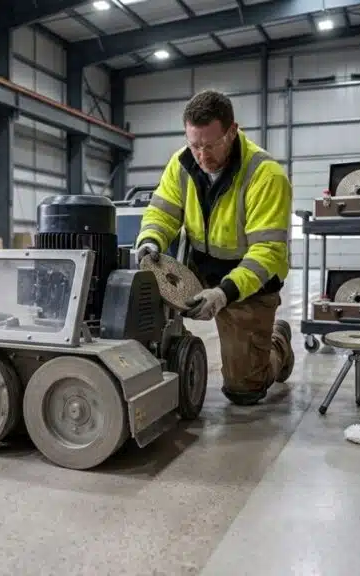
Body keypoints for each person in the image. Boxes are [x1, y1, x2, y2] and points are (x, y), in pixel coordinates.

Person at [135, 89, 295, 406]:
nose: (202, 156)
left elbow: (267, 253)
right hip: (201, 270)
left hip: (249, 284)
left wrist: (223, 294)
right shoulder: (181, 164)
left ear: (232, 131)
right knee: (139, 291)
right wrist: (150, 240)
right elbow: (162, 213)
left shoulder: (265, 175)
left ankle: (277, 344)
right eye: (195, 146)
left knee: (244, 391)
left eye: (211, 145)